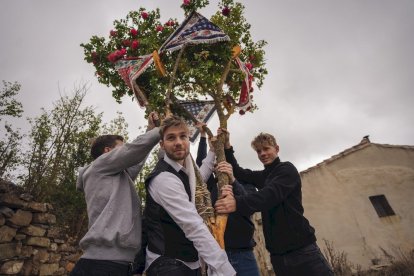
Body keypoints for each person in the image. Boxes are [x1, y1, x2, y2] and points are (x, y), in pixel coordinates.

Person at [215, 129, 334, 276]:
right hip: (278, 256)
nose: (262, 154)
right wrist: (227, 147)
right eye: (259, 151)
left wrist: (237, 203)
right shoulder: (264, 175)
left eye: (266, 149)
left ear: (276, 149)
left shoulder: (286, 170)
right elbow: (240, 173)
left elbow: (270, 195)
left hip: (302, 251)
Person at [143, 116, 236, 276]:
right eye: (171, 138)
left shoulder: (185, 171)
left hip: (189, 262)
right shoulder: (163, 178)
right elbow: (193, 226)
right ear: (162, 145)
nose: (178, 142)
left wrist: (213, 151)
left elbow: (200, 176)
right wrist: (225, 270)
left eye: (183, 136)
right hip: (166, 264)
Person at [71, 112, 160, 276]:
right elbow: (133, 151)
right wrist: (162, 129)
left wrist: (150, 129)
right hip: (102, 265)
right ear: (108, 152)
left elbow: (136, 160)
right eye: (121, 146)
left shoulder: (116, 175)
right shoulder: (99, 166)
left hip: (111, 263)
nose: (125, 149)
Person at [195, 123, 260, 276]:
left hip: (243, 254)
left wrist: (233, 181)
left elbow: (249, 204)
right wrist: (203, 137)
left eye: (223, 164)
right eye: (215, 165)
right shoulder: (210, 187)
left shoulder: (244, 184)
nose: (219, 167)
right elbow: (200, 165)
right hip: (216, 255)